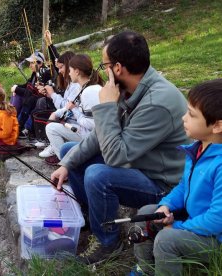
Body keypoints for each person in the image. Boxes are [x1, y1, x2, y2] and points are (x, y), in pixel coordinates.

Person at [50, 31, 190, 264]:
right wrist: (66, 164)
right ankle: (92, 217)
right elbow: (100, 136)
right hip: (139, 165)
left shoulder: (157, 102)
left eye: (104, 65)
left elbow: (116, 156)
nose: (102, 71)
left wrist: (105, 107)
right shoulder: (132, 89)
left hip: (164, 184)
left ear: (117, 68)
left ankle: (108, 242)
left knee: (98, 175)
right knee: (69, 153)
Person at [131, 79, 222, 276]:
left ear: (216, 126)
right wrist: (166, 206)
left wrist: (177, 227)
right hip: (194, 220)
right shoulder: (197, 148)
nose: (183, 118)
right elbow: (183, 186)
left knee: (166, 239)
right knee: (148, 212)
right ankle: (145, 269)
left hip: (215, 238)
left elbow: (217, 219)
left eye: (191, 114)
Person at [40, 54, 104, 166]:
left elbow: (92, 124)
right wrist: (57, 113)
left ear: (77, 72)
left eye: (70, 70)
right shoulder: (83, 87)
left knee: (51, 128)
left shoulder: (89, 91)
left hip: (93, 137)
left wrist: (75, 111)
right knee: (53, 125)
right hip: (87, 133)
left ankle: (66, 166)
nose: (68, 73)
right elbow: (70, 106)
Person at [10, 51, 51, 138]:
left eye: (32, 63)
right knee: (17, 95)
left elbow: (33, 92)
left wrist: (17, 89)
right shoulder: (34, 74)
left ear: (40, 63)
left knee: (29, 100)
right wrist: (16, 87)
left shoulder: (45, 73)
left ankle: (19, 127)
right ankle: (12, 122)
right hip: (30, 100)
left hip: (41, 101)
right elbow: (26, 86)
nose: (30, 66)